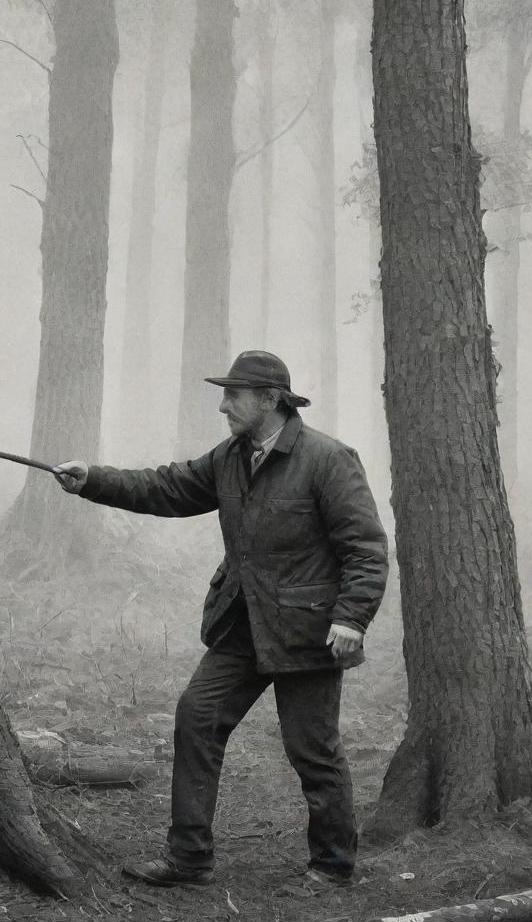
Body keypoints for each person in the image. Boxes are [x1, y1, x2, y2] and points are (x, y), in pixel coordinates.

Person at [54, 350, 388, 889]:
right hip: (242, 623)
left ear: (271, 400)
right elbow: (166, 486)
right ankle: (189, 858)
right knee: (197, 716)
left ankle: (332, 866)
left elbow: (366, 549)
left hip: (307, 632)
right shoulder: (231, 456)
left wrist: (352, 618)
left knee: (312, 750)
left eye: (233, 395)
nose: (223, 405)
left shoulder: (329, 459)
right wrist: (92, 478)